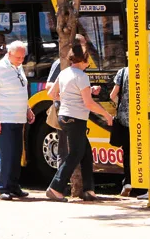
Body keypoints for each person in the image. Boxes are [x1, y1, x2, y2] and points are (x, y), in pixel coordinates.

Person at [45, 43, 114, 202]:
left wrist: (68, 98)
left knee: (86, 152)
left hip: (64, 116)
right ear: (84, 59)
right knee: (75, 154)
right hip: (76, 118)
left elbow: (51, 93)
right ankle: (56, 188)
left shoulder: (64, 73)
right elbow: (88, 104)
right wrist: (107, 115)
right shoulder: (82, 76)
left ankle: (89, 190)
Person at [0, 40, 35, 201]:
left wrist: (27, 109)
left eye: (23, 57)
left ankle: (14, 186)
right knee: (7, 155)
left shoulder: (18, 67)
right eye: (18, 57)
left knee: (16, 154)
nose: (21, 60)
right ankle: (3, 187)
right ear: (9, 54)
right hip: (5, 119)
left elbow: (21, 91)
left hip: (19, 118)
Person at [109, 62, 133, 196]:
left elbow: (113, 95)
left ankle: (128, 182)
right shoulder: (147, 69)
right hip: (142, 119)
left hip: (125, 119)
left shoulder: (123, 72)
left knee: (127, 152)